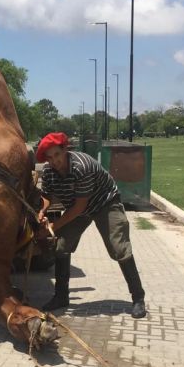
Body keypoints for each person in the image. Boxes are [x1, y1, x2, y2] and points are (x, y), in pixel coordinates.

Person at [37, 132, 146, 318]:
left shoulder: (81, 166)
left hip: (105, 203)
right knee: (61, 246)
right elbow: (46, 195)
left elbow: (79, 207)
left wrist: (54, 227)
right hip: (78, 206)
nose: (54, 161)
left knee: (118, 247)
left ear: (65, 150)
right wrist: (41, 211)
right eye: (49, 157)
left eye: (57, 155)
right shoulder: (48, 172)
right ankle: (61, 297)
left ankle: (138, 298)